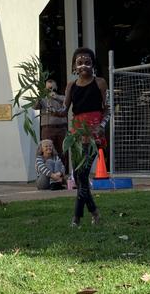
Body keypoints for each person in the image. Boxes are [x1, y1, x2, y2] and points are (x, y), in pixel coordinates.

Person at [61, 47, 108, 227]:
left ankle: (76, 218)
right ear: (74, 66)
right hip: (76, 137)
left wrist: (102, 126)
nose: (83, 66)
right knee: (79, 176)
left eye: (87, 62)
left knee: (83, 173)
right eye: (79, 63)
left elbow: (108, 109)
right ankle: (94, 213)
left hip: (93, 136)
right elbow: (63, 110)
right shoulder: (71, 86)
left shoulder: (100, 82)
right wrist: (43, 104)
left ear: (93, 64)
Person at [33, 79, 68, 173]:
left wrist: (55, 97)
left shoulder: (61, 97)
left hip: (61, 128)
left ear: (55, 87)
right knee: (46, 150)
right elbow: (35, 106)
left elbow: (66, 102)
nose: (50, 89)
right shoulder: (43, 99)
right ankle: (47, 174)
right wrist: (39, 96)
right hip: (47, 128)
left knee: (62, 151)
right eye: (48, 87)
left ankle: (62, 174)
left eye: (52, 87)